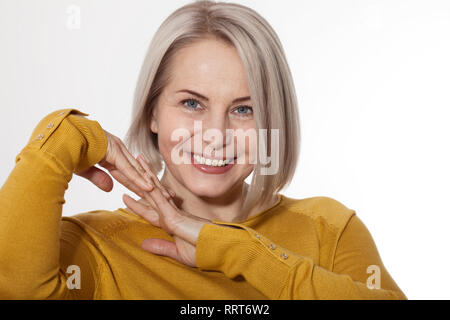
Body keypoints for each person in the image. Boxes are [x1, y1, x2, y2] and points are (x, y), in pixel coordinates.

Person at [0, 0, 407, 299]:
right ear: (152, 113)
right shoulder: (95, 245)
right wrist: (62, 137)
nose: (216, 134)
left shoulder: (329, 230)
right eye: (192, 103)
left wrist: (236, 250)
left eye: (244, 109)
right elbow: (14, 289)